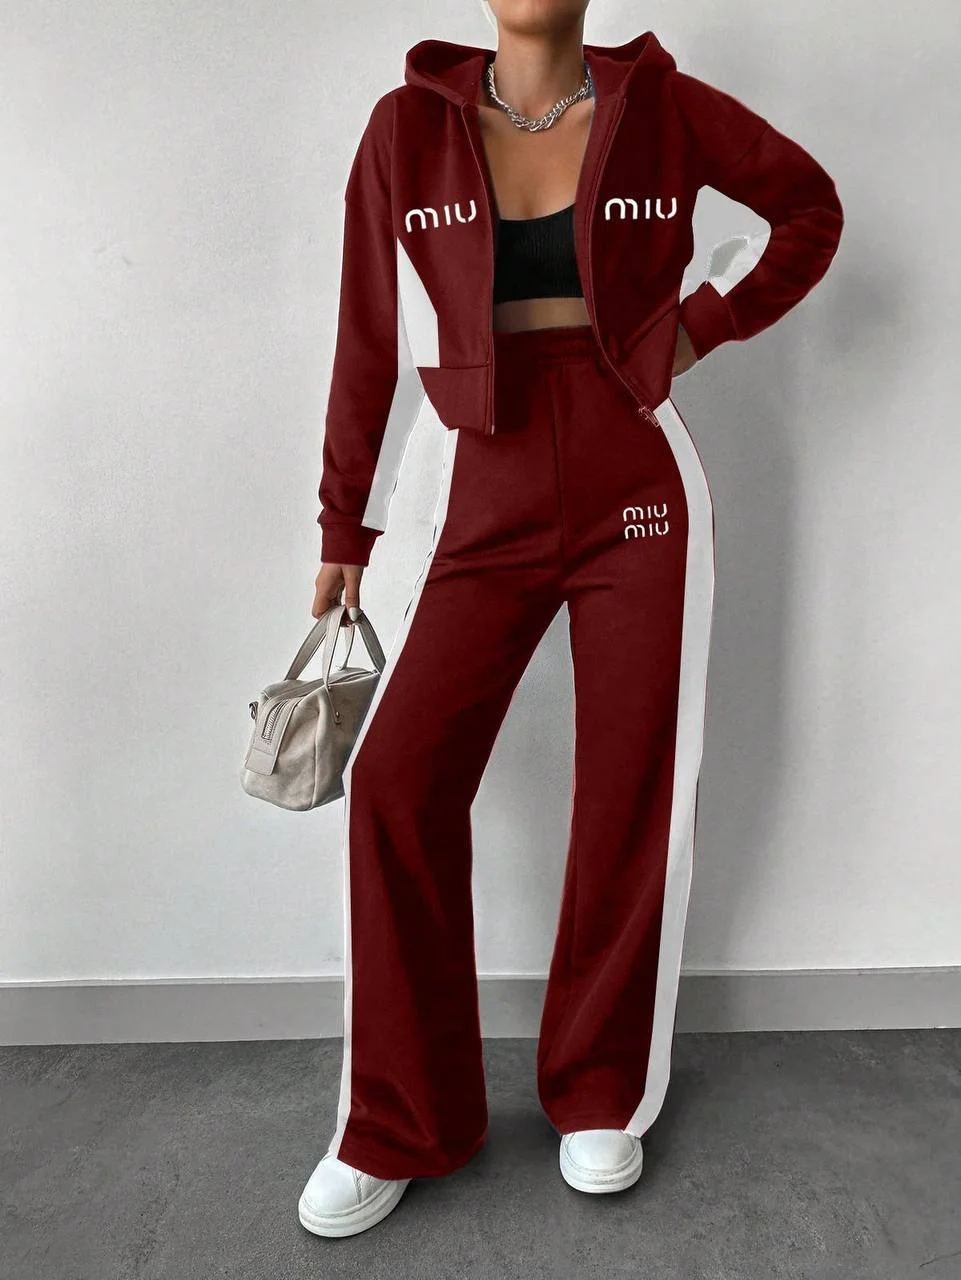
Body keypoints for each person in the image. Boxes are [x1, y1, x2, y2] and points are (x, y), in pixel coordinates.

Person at [300, 0, 843, 1238]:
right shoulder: (405, 130)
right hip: (474, 479)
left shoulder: (664, 110)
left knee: (631, 785)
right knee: (394, 780)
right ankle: (398, 1116)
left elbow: (808, 209)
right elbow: (368, 334)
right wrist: (344, 523)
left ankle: (600, 1087)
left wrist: (698, 327)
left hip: (632, 477)